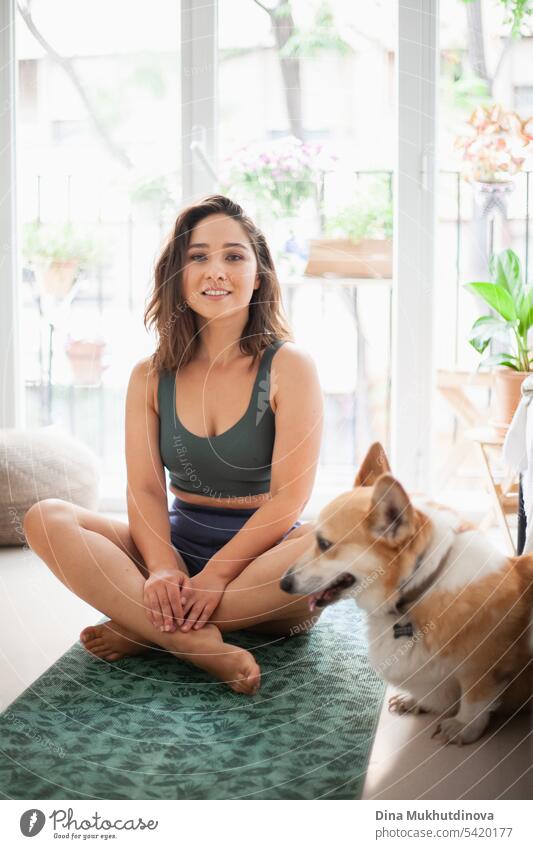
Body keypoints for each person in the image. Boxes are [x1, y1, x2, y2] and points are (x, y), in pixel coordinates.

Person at [23, 194, 324, 695]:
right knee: (46, 518)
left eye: (234, 255)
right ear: (177, 276)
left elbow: (290, 499)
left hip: (263, 565)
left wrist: (216, 578)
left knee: (328, 543)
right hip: (175, 551)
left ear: (260, 273)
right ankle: (196, 643)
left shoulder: (290, 366)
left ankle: (144, 624)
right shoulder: (149, 376)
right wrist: (163, 567)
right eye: (198, 256)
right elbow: (143, 488)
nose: (216, 271)